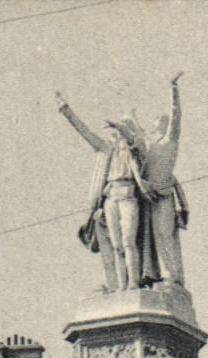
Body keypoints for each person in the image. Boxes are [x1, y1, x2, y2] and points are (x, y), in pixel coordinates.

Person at [57, 92, 152, 291]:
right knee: (116, 245)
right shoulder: (106, 150)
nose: (114, 136)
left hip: (128, 196)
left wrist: (119, 127)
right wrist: (66, 110)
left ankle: (133, 283)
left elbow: (134, 140)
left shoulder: (134, 149)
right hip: (111, 198)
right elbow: (85, 132)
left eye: (116, 132)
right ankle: (120, 285)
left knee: (128, 241)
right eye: (112, 133)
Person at [135, 72, 188, 286]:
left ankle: (174, 277)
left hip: (164, 195)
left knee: (166, 234)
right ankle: (157, 275)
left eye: (161, 121)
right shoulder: (151, 147)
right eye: (156, 122)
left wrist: (173, 90)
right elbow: (138, 133)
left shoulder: (169, 141)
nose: (158, 123)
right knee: (153, 238)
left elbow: (177, 115)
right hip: (149, 197)